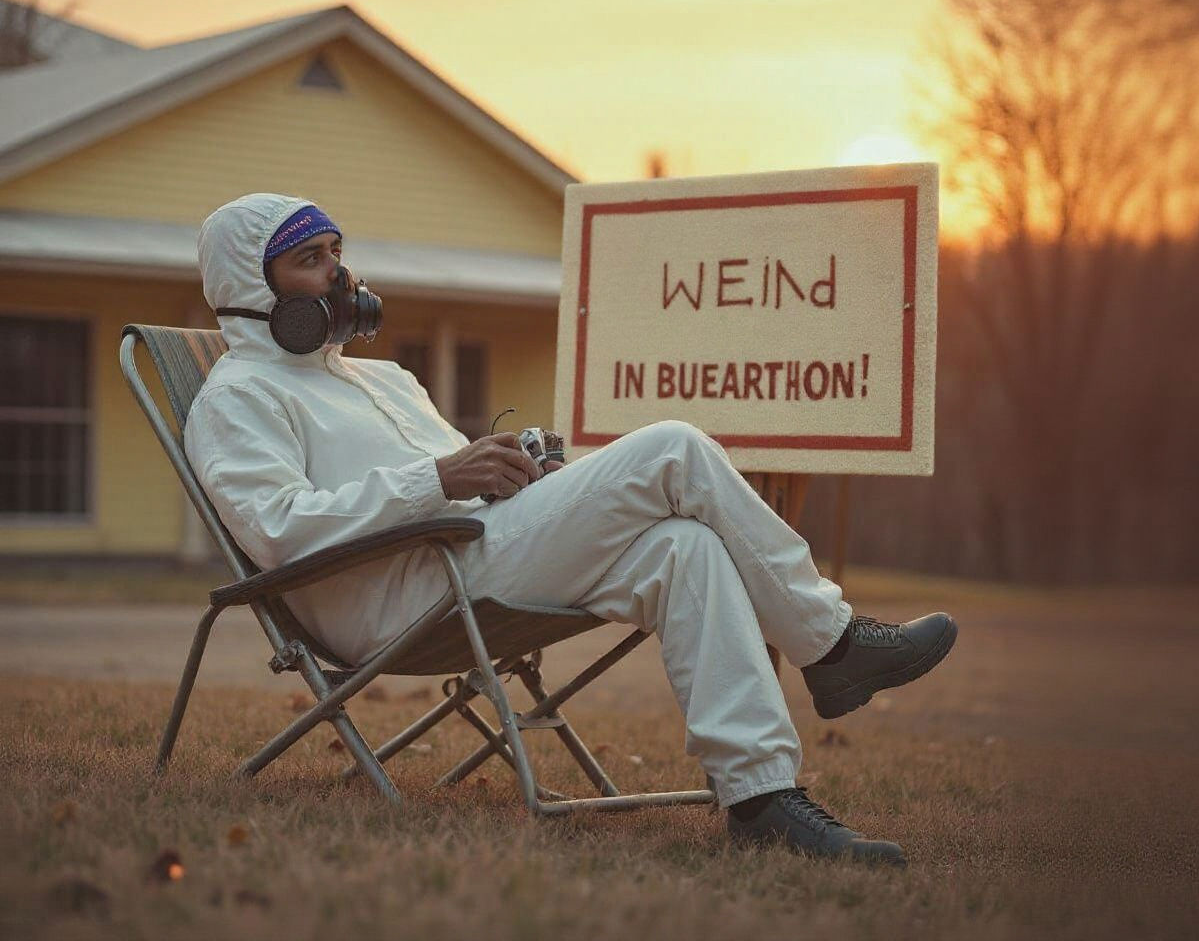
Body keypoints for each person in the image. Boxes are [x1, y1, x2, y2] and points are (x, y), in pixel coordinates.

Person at [185, 192, 957, 866]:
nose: (339, 277)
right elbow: (278, 530)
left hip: (475, 558)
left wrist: (513, 476)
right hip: (397, 598)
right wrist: (440, 479)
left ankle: (760, 798)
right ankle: (833, 643)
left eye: (337, 254)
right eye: (311, 262)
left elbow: (453, 481)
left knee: (682, 547)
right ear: (256, 284)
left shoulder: (381, 376)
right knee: (675, 447)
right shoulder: (237, 398)